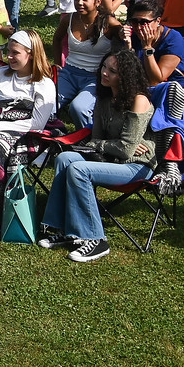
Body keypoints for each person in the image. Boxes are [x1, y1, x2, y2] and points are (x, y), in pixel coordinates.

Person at [39, 49, 160, 263]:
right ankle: (66, 229)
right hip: (112, 161)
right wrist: (110, 145)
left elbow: (126, 150)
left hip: (137, 166)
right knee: (64, 159)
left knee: (78, 169)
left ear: (125, 77)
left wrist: (107, 145)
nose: (104, 73)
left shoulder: (138, 100)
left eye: (112, 71)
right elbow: (97, 141)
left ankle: (95, 238)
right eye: (104, 67)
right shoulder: (103, 99)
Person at [0, 30, 58, 156]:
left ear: (32, 54)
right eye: (8, 51)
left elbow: (37, 124)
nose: (9, 57)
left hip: (23, 134)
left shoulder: (43, 84)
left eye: (15, 53)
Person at [126, 0, 184, 88]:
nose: (139, 27)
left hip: (178, 90)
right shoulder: (133, 35)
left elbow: (155, 80)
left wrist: (147, 47)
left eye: (144, 22)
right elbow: (126, 72)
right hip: (145, 87)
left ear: (158, 21)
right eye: (134, 21)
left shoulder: (173, 40)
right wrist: (127, 45)